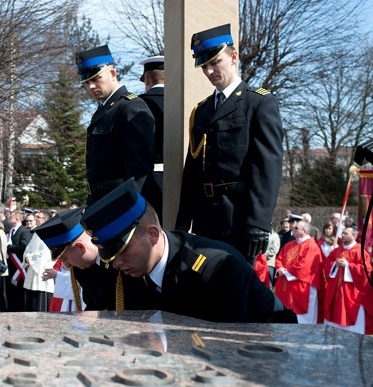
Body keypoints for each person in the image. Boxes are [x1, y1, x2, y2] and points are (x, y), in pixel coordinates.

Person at [80, 179, 297, 323]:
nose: (116, 263)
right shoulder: (132, 270)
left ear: (153, 235)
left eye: (122, 250)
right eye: (110, 254)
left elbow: (226, 345)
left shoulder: (215, 268)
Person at [176, 24, 284, 263]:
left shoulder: (258, 104)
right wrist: (182, 223)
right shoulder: (202, 111)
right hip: (205, 221)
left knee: (236, 295)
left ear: (233, 56)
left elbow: (268, 167)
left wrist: (259, 221)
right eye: (204, 65)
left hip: (239, 219)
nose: (209, 70)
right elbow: (192, 170)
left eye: (215, 62)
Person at [75, 45, 160, 212]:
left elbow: (139, 170)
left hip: (120, 204)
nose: (91, 86)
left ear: (112, 74)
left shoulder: (131, 107)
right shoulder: (103, 111)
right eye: (86, 82)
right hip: (101, 201)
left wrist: (130, 208)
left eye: (96, 79)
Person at [34, 207, 117, 310]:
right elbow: (93, 305)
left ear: (80, 247)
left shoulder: (119, 261)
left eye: (65, 258)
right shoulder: (80, 269)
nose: (67, 265)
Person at [322, 227, 373, 334]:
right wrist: (334, 265)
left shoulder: (360, 251)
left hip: (351, 292)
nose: (342, 235)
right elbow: (326, 266)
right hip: (336, 290)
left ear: (354, 236)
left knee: (350, 318)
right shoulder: (336, 251)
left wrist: (348, 266)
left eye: (346, 233)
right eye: (342, 233)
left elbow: (366, 270)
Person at [274, 220, 323, 324]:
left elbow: (305, 266)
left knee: (301, 319)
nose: (293, 230)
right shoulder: (289, 245)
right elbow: (279, 258)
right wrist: (280, 269)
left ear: (304, 231)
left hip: (301, 286)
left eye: (296, 228)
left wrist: (286, 272)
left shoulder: (312, 246)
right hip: (285, 285)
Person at [138, 55, 165, 218]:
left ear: (147, 79)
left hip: (145, 180)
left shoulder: (136, 105)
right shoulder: (184, 104)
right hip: (179, 180)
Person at [5, 211, 32, 311]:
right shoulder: (10, 230)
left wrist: (9, 247)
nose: (8, 218)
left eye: (11, 217)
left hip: (19, 267)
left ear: (17, 219)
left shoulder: (24, 231)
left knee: (18, 293)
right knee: (11, 292)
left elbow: (23, 247)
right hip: (10, 266)